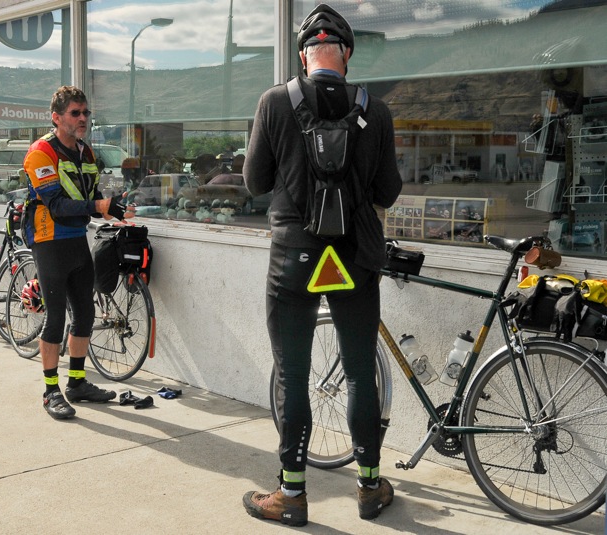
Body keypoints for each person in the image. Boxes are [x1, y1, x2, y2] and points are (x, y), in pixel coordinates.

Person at [241, 4, 402, 526]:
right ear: (346, 55)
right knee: (359, 374)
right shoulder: (375, 111)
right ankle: (370, 488)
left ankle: (291, 495)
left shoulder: (274, 102)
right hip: (355, 257)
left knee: (292, 375)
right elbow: (388, 191)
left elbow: (254, 182)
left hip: (294, 256)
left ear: (303, 56)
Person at [22, 85, 135, 420]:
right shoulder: (41, 153)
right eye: (75, 113)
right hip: (48, 239)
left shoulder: (85, 152)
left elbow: (93, 194)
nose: (83, 118)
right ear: (57, 118)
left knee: (85, 313)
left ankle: (76, 383)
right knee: (56, 317)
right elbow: (57, 205)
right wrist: (99, 206)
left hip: (75, 239)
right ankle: (50, 391)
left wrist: (115, 207)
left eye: (86, 112)